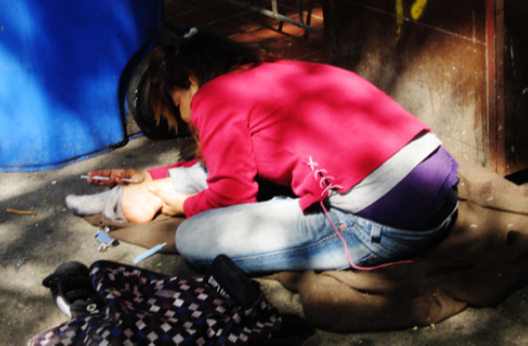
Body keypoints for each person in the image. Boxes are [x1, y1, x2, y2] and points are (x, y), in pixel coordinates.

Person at [66, 30, 459, 274]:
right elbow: (226, 163)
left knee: (193, 238)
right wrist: (150, 178)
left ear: (190, 80)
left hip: (390, 220)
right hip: (438, 184)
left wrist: (174, 204)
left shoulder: (211, 99)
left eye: (180, 109)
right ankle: (129, 196)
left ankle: (133, 203)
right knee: (219, 185)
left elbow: (231, 194)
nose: (189, 123)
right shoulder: (270, 75)